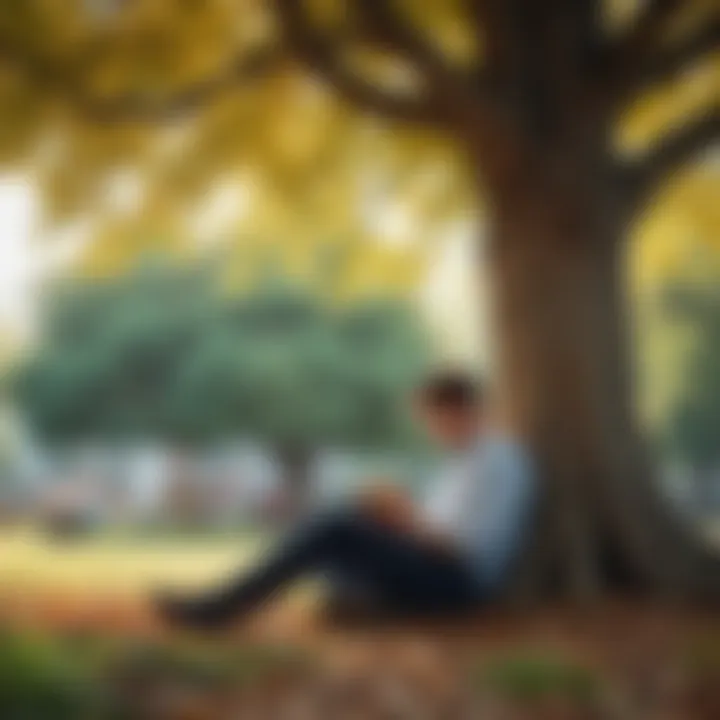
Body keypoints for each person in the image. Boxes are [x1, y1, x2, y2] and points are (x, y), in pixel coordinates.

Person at [155, 371, 536, 628]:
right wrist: (393, 514)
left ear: (460, 410)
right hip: (437, 568)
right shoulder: (461, 462)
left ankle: (221, 607)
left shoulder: (497, 462)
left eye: (434, 421)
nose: (431, 432)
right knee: (336, 548)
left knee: (334, 526)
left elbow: (457, 549)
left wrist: (403, 515)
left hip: (458, 583)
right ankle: (356, 603)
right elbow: (434, 531)